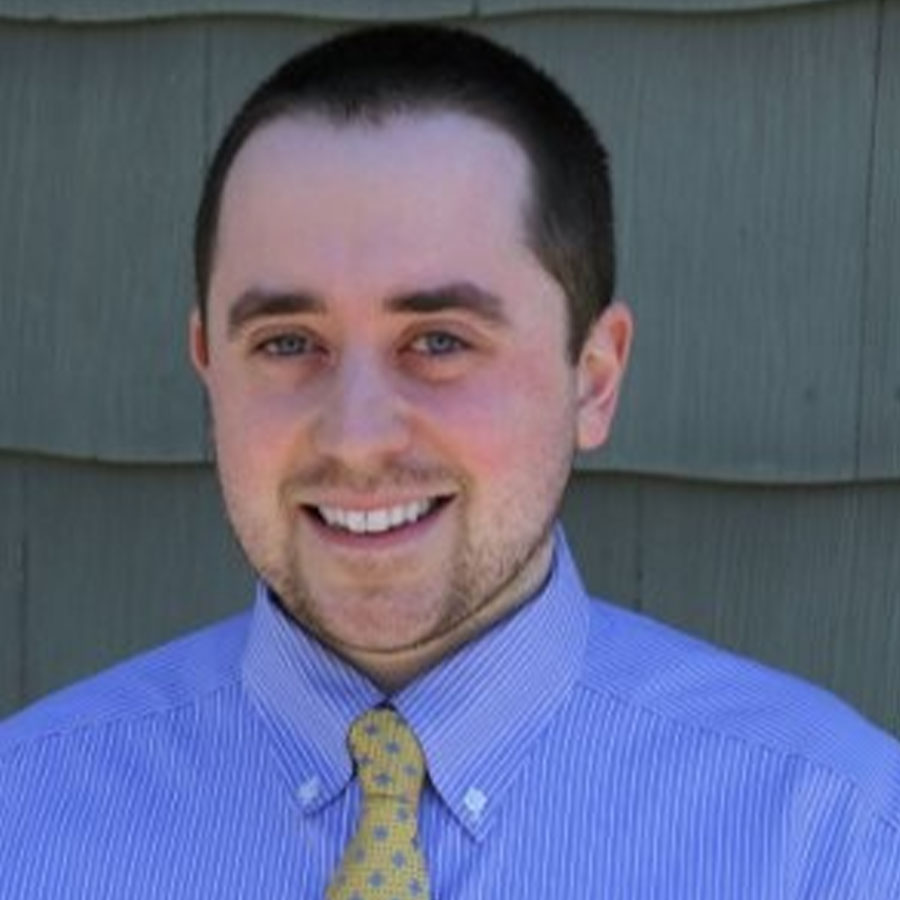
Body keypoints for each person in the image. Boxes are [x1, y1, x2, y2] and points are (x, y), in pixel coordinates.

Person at [1, 23, 898, 899]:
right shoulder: (24, 823)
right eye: (285, 343)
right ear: (210, 370)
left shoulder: (836, 843)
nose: (356, 438)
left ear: (592, 379)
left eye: (437, 340)